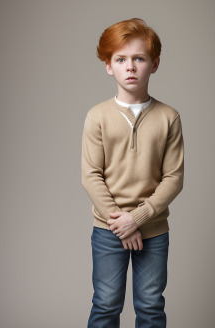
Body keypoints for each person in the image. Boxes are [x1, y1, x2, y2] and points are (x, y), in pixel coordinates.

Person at [81, 18, 184, 328]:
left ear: (154, 64)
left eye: (139, 58)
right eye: (120, 59)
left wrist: (136, 219)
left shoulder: (169, 117)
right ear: (108, 66)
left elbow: (174, 178)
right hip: (108, 229)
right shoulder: (97, 116)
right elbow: (91, 175)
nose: (130, 67)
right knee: (106, 303)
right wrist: (120, 222)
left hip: (153, 231)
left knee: (151, 306)